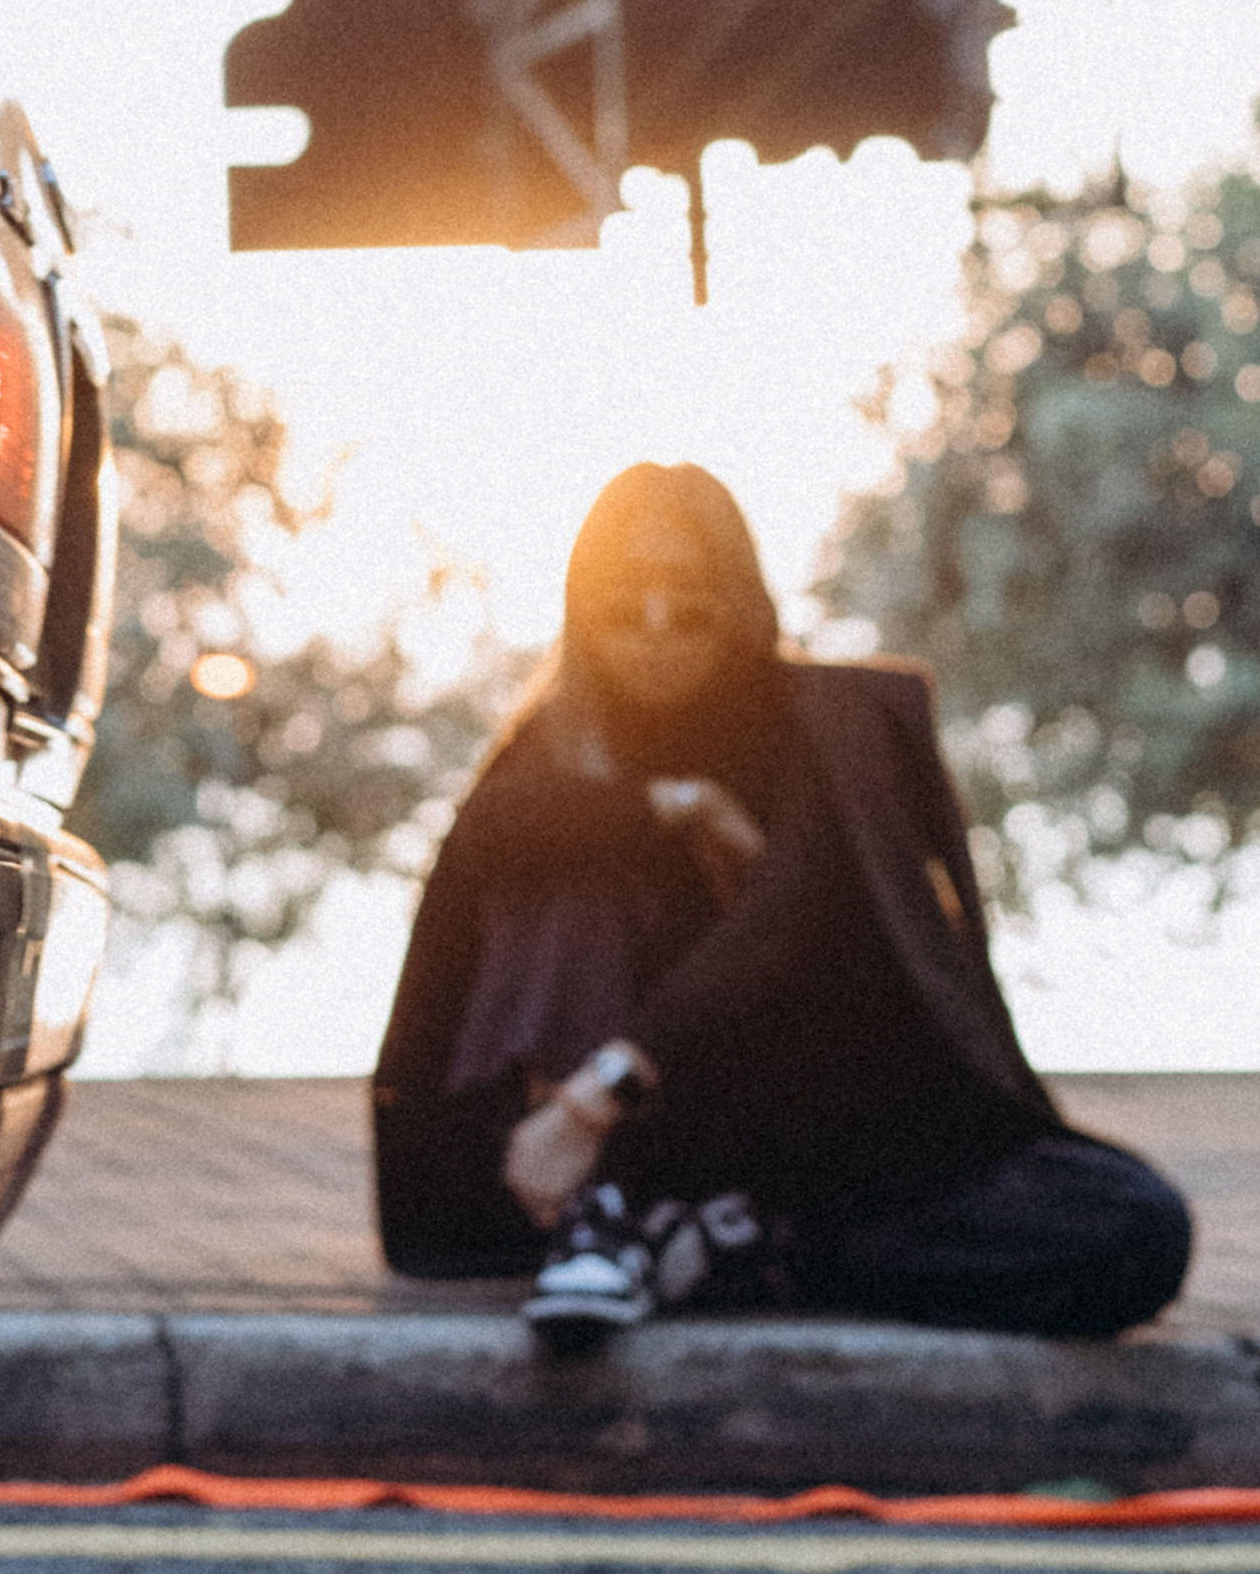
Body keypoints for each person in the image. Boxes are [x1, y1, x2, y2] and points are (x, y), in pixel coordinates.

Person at [371, 460, 1192, 1341]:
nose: (654, 630)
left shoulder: (825, 730)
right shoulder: (563, 741)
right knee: (563, 847)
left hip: (828, 1138)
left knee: (1135, 1228)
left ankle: (744, 1247)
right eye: (622, 604)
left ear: (738, 604)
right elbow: (492, 830)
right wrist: (674, 806)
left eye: (688, 605)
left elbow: (779, 926)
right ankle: (627, 1216)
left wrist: (601, 1091)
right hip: (598, 1149)